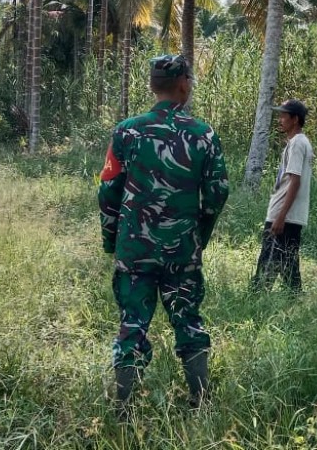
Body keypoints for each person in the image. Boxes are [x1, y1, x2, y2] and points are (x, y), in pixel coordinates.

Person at [97, 54, 229, 416]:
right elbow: (217, 192)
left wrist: (112, 240)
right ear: (184, 84)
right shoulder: (203, 135)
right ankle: (200, 402)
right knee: (188, 322)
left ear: (153, 85)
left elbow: (108, 191)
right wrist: (199, 235)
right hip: (182, 251)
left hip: (134, 251)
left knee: (132, 325)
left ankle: (124, 410)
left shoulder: (127, 132)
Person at [251, 99, 313, 292]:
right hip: (290, 215)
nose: (280, 120)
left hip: (284, 215)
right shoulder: (299, 142)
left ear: (295, 119)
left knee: (268, 262)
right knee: (289, 264)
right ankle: (294, 298)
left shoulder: (297, 144)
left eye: (284, 116)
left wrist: (280, 216)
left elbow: (295, 181)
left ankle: (257, 298)